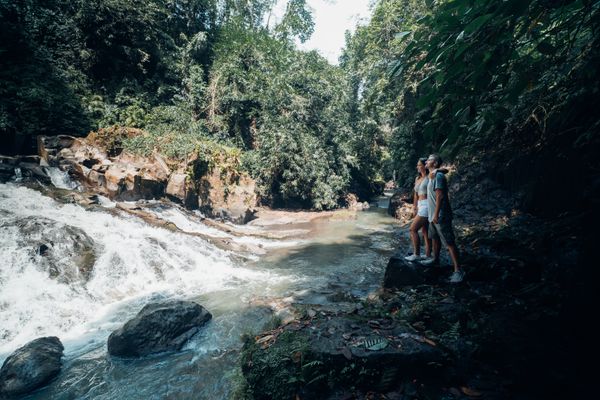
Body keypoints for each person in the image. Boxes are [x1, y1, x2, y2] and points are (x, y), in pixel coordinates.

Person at [421, 154, 464, 283]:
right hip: (432, 215)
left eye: (429, 159)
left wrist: (436, 214)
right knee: (435, 238)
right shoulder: (433, 175)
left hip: (440, 215)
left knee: (449, 242)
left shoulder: (438, 176)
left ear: (434, 163)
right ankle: (435, 259)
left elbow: (440, 196)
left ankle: (458, 270)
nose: (426, 161)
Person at [405, 158, 432, 262]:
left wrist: (437, 170)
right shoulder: (417, 178)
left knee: (413, 229)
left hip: (427, 204)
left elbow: (444, 171)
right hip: (420, 205)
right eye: (417, 165)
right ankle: (428, 254)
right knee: (425, 230)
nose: (417, 167)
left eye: (419, 165)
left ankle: (416, 254)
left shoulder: (430, 176)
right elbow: (415, 195)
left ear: (424, 165)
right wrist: (414, 207)